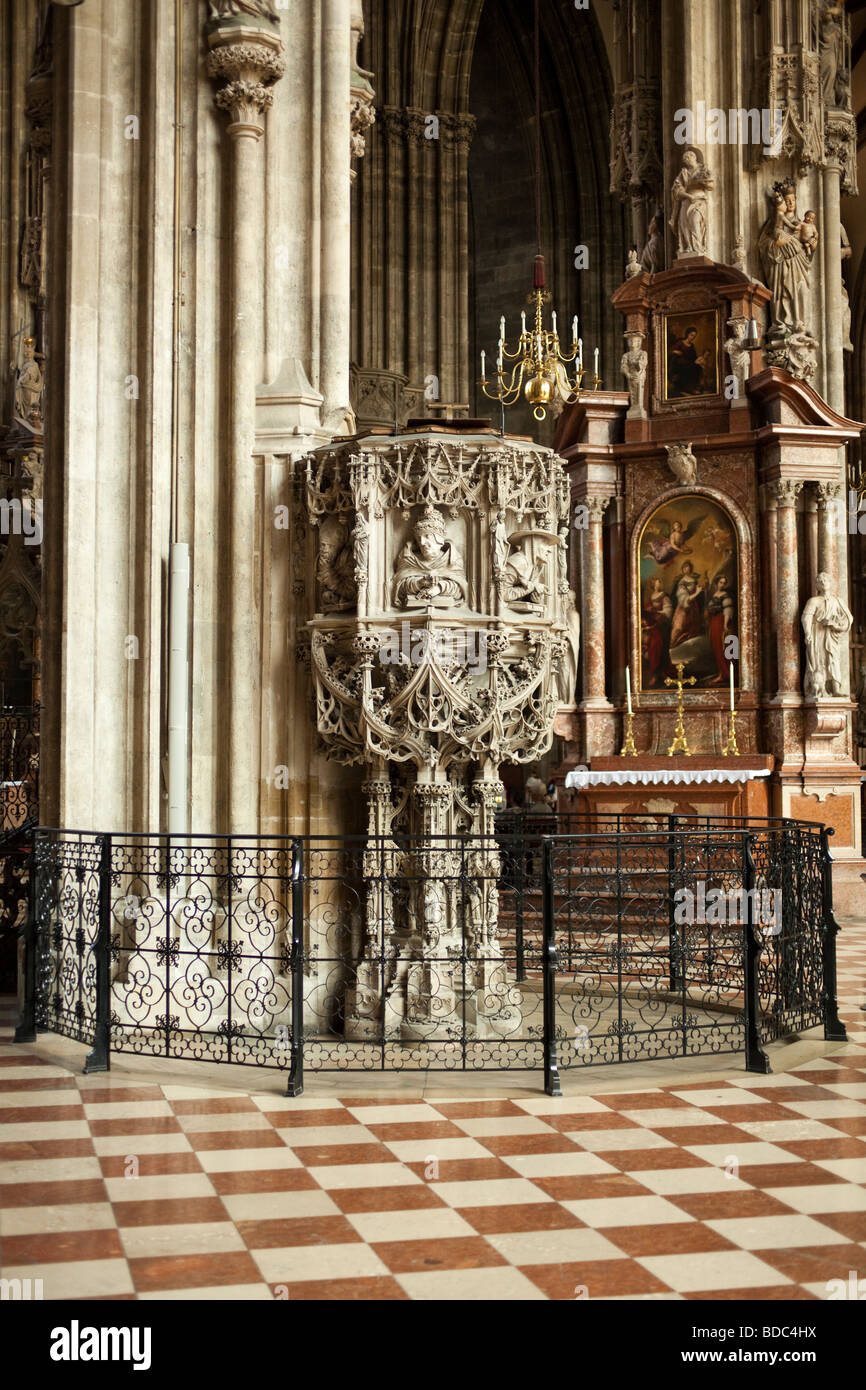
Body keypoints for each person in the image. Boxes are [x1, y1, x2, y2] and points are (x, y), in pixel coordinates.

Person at [392, 504, 469, 609]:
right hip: (408, 620)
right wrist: (420, 583)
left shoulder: (452, 559)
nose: (423, 543)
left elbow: (461, 589)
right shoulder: (409, 558)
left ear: (439, 539)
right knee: (406, 626)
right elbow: (399, 588)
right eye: (419, 539)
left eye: (427, 536)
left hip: (445, 616)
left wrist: (439, 588)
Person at [706, 575, 736, 684]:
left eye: (724, 583)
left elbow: (727, 610)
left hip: (720, 621)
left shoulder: (725, 595)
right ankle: (721, 672)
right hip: (714, 622)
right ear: (716, 583)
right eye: (721, 582)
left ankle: (725, 673)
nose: (722, 585)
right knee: (716, 647)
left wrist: (725, 624)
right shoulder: (714, 595)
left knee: (722, 646)